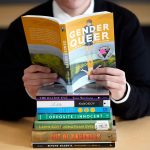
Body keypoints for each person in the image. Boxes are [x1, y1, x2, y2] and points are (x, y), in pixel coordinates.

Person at [0, 0, 150, 120]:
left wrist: (123, 93)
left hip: (104, 128)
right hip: (48, 127)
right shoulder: (21, 28)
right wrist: (28, 93)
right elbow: (4, 101)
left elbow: (146, 97)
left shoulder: (125, 23)